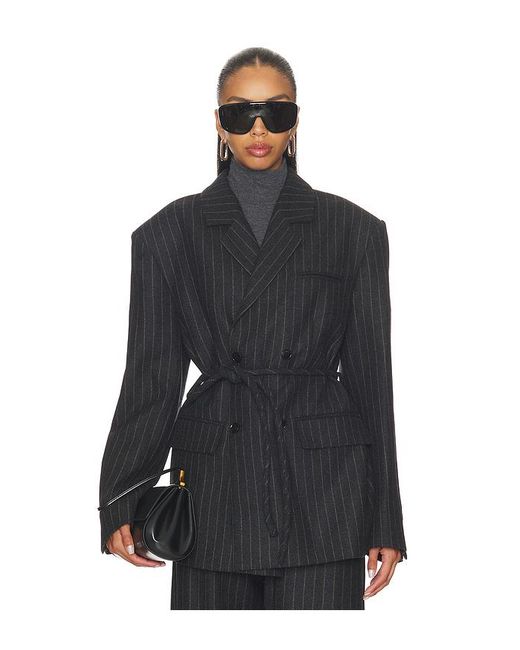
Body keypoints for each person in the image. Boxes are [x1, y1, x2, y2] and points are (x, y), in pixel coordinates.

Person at [98, 47, 407, 610]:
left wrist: (385, 515)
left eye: (275, 112)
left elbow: (372, 381)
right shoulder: (167, 233)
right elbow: (151, 377)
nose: (258, 129)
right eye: (240, 113)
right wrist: (123, 494)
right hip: (215, 477)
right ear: (219, 123)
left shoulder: (354, 230)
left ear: (296, 121)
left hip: (324, 482)